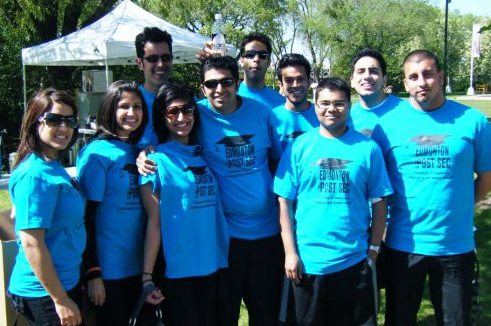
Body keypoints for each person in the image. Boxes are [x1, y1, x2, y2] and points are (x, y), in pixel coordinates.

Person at [371, 50, 491, 325]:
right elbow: (378, 185)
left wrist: (460, 205)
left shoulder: (473, 121)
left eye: (427, 74)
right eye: (413, 77)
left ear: (440, 76)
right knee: (400, 319)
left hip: (455, 245)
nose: (421, 82)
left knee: (455, 320)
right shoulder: (387, 126)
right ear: (405, 82)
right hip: (403, 244)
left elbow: (486, 176)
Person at [274, 78, 392, 326]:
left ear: (348, 106)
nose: (331, 109)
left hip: (354, 259)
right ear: (315, 105)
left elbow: (380, 202)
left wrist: (373, 251)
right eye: (325, 103)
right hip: (308, 262)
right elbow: (284, 202)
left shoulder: (367, 148)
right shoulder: (299, 147)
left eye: (339, 103)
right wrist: (290, 253)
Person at [197, 56, 284, 325]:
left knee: (266, 314)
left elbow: (276, 161)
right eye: (212, 84)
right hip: (225, 238)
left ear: (237, 83)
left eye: (226, 82)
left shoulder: (261, 113)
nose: (219, 89)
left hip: (268, 233)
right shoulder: (196, 115)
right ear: (203, 88)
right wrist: (146, 151)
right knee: (225, 315)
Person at [140, 83, 229, 326]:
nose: (182, 117)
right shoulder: (154, 163)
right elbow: (154, 224)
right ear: (162, 116)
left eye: (187, 110)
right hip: (178, 272)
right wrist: (147, 277)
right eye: (173, 112)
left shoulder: (203, 154)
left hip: (214, 265)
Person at [76, 81, 153, 326]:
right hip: (109, 272)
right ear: (110, 109)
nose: (132, 113)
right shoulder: (97, 154)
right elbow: (86, 217)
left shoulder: (138, 151)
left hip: (140, 269)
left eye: (138, 107)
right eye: (124, 106)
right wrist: (93, 272)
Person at [8, 88, 86, 326]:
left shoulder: (51, 165)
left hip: (65, 281)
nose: (64, 127)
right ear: (35, 121)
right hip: (43, 293)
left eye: (70, 120)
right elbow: (32, 243)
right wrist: (60, 300)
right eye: (54, 120)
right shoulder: (35, 174)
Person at [196, 32, 284, 109]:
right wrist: (208, 67)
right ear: (241, 60)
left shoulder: (282, 102)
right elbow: (203, 112)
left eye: (263, 55)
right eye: (250, 55)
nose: (256, 59)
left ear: (269, 62)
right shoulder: (225, 93)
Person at [348, 48, 402, 137]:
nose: (367, 76)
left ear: (384, 80)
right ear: (352, 81)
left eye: (373, 71)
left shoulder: (405, 111)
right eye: (360, 71)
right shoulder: (346, 117)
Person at [135, 27, 174, 147]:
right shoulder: (129, 103)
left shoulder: (185, 98)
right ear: (140, 63)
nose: (161, 64)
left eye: (166, 58)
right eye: (153, 59)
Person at [272, 53, 318, 151]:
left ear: (309, 82)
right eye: (289, 80)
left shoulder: (323, 114)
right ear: (281, 85)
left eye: (300, 79)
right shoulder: (271, 119)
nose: (295, 85)